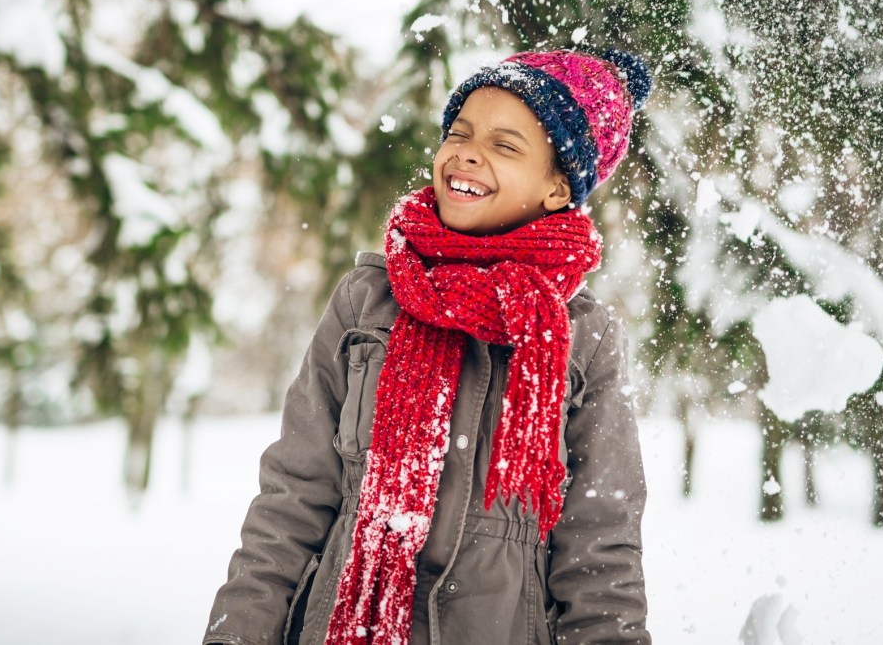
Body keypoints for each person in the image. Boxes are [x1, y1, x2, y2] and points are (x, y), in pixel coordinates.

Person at [204, 49, 654, 645]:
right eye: (459, 133)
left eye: (505, 144)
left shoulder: (583, 338)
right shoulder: (367, 301)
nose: (467, 151)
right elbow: (292, 497)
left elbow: (600, 545)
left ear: (556, 186)